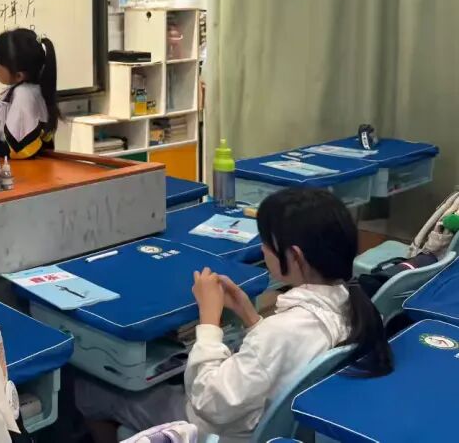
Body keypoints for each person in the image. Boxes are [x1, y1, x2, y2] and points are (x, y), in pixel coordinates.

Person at [77, 187, 393, 443]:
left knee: (90, 391)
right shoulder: (356, 306)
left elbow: (209, 402)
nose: (263, 250)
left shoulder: (281, 332)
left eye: (266, 243)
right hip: (282, 426)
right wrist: (249, 315)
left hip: (221, 431)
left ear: (294, 256)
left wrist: (209, 320)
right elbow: (283, 357)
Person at [0, 28, 60, 160]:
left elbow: (17, 149)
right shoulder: (27, 90)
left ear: (19, 75)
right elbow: (12, 134)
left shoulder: (23, 95)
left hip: (22, 171)